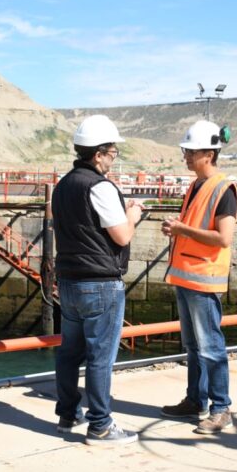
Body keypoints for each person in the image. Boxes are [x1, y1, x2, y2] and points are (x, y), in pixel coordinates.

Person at [52, 114, 143, 446]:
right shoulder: (100, 187)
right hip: (100, 284)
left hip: (69, 282)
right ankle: (101, 425)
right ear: (99, 153)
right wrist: (133, 213)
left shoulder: (62, 186)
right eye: (112, 153)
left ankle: (67, 414)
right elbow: (120, 236)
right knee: (101, 357)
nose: (113, 159)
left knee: (69, 352)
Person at [160, 120, 237, 434]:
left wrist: (180, 229)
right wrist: (178, 228)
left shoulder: (224, 190)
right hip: (187, 277)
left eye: (191, 151)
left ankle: (221, 408)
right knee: (193, 346)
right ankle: (196, 400)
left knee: (210, 347)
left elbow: (223, 238)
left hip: (204, 279)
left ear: (209, 153)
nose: (186, 156)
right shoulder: (195, 186)